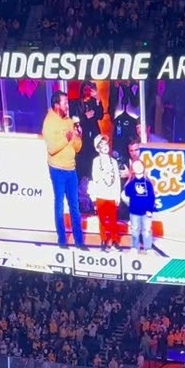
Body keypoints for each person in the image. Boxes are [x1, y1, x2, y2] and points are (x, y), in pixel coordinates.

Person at [42, 91, 85, 249]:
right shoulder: (49, 122)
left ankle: (79, 241)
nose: (67, 105)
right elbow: (52, 148)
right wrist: (65, 138)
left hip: (71, 169)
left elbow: (77, 148)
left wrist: (78, 137)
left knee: (75, 206)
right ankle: (62, 240)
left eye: (67, 102)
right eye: (65, 103)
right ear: (56, 105)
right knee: (59, 204)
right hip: (57, 169)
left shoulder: (69, 121)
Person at [88, 135, 123, 250]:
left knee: (113, 220)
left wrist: (117, 195)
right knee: (102, 220)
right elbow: (95, 178)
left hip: (111, 195)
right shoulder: (96, 161)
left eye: (106, 144)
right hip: (101, 194)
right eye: (101, 145)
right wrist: (94, 196)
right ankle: (103, 239)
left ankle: (114, 240)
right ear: (97, 148)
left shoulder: (113, 162)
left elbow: (117, 180)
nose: (104, 146)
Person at [123, 159, 157, 253]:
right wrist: (129, 178)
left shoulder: (148, 183)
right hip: (134, 211)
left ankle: (148, 248)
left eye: (140, 165)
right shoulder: (131, 183)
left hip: (146, 212)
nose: (138, 167)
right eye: (135, 166)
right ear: (133, 169)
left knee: (147, 230)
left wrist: (150, 210)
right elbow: (127, 192)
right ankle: (135, 247)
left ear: (143, 167)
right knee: (135, 230)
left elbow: (151, 197)